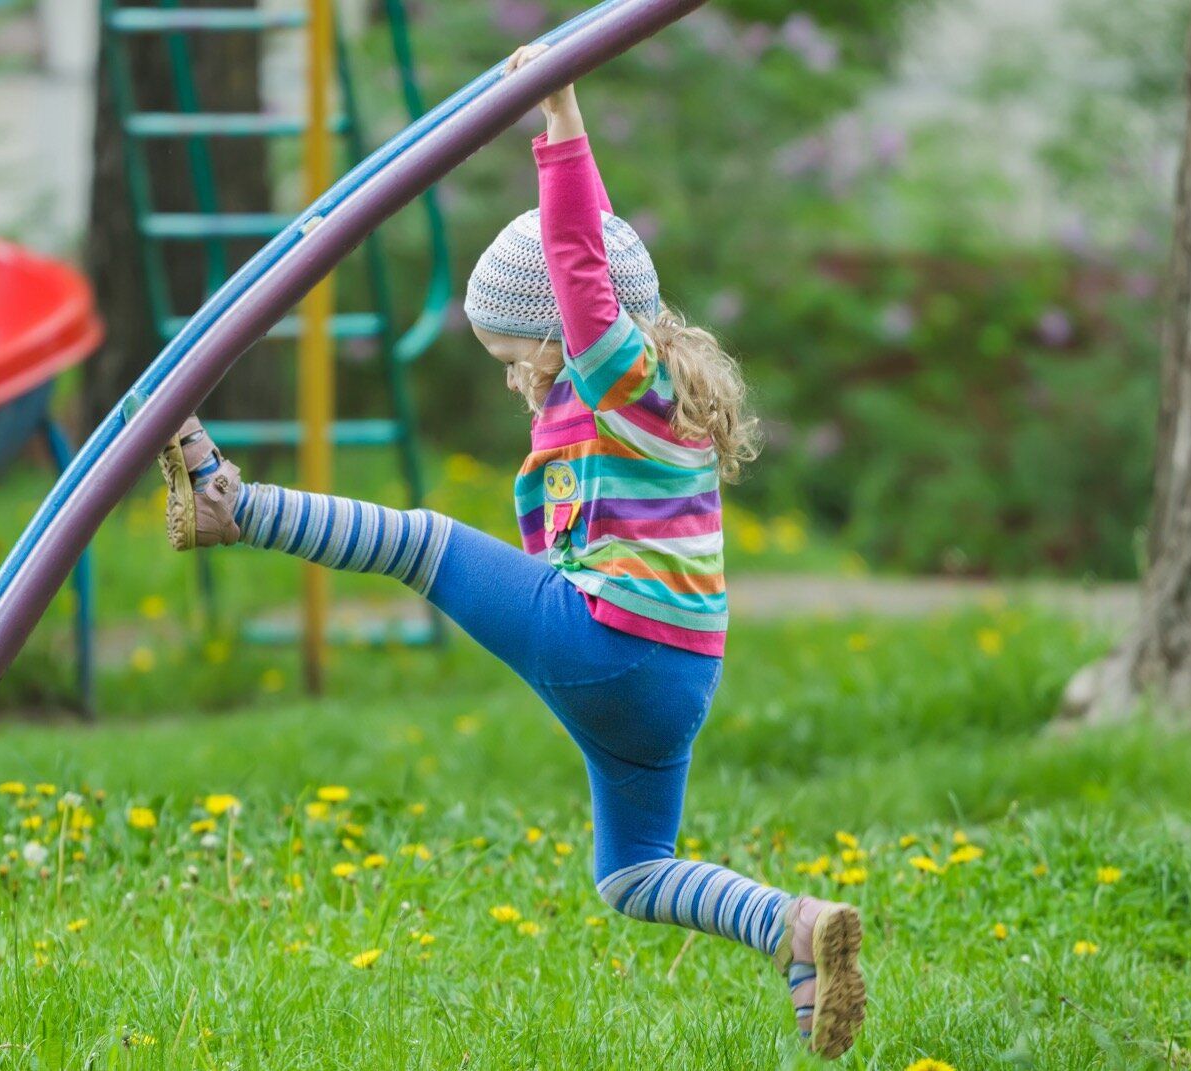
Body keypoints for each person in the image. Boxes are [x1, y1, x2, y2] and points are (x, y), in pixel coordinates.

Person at [155, 43, 866, 1059]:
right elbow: (595, 273)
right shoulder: (653, 401)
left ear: (559, 336)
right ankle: (795, 929)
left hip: (612, 637)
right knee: (631, 873)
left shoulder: (613, 373)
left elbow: (579, 258)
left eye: (509, 356)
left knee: (423, 543)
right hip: (679, 678)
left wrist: (558, 106)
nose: (509, 379)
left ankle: (232, 503)